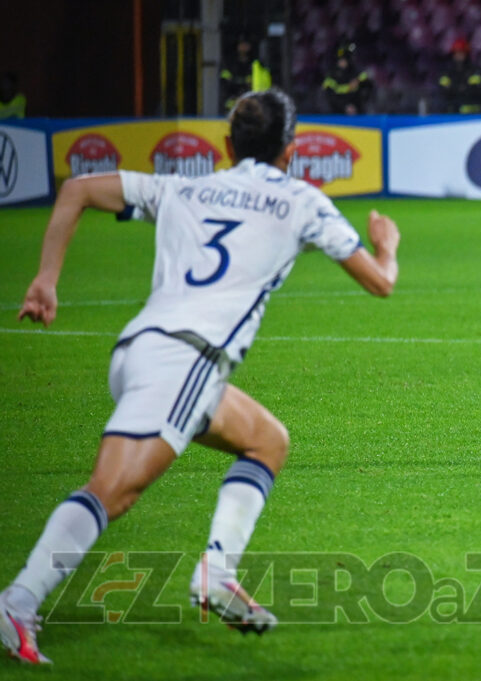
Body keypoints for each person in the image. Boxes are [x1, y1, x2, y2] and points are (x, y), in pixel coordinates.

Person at [0, 88, 400, 664]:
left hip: (144, 350)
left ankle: (217, 573)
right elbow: (379, 281)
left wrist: (46, 279)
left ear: (227, 143)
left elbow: (77, 190)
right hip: (185, 362)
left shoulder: (184, 186)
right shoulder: (303, 202)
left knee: (267, 440)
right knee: (112, 492)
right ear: (291, 150)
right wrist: (386, 246)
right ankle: (19, 602)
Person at [321, 41, 374, 114]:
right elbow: (329, 97)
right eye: (340, 60)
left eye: (344, 60)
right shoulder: (331, 75)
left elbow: (368, 87)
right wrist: (344, 106)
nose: (341, 62)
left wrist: (359, 82)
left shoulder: (357, 73)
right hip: (336, 114)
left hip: (357, 111)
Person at [438, 38, 481, 114]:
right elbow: (443, 91)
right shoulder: (447, 72)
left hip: (472, 114)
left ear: (466, 54)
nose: (458, 56)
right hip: (451, 113)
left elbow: (473, 91)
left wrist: (454, 88)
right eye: (456, 53)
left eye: (461, 53)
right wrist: (461, 88)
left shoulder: (474, 71)